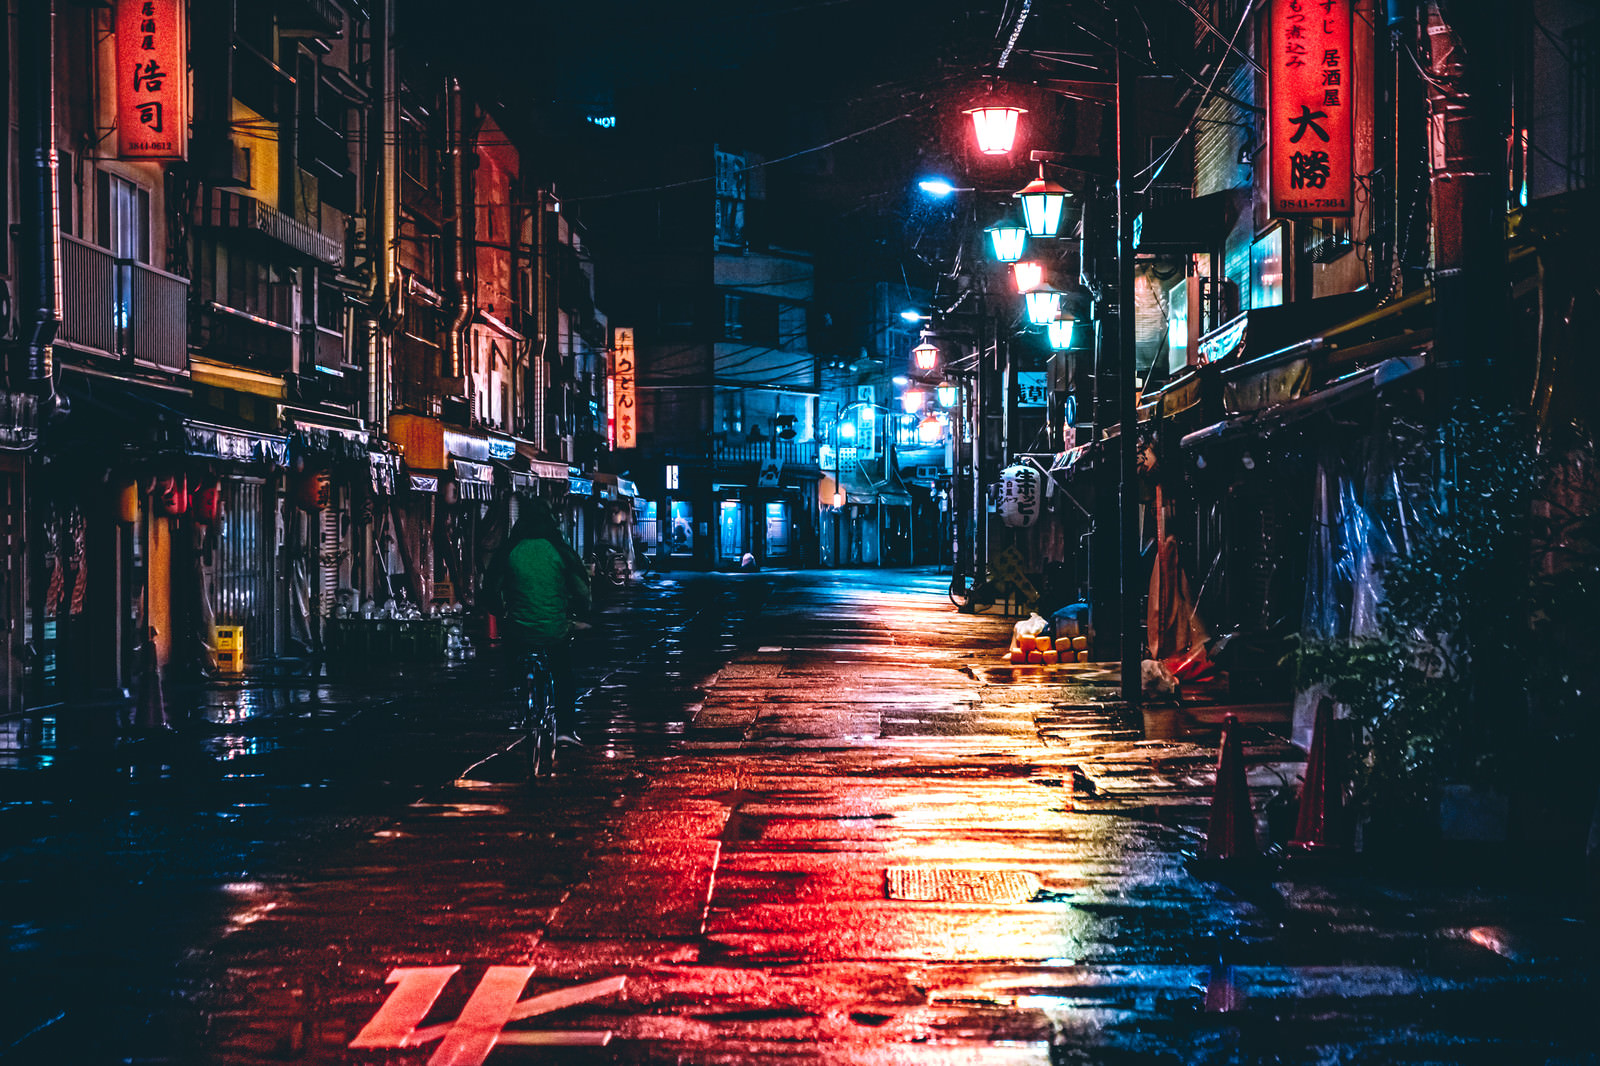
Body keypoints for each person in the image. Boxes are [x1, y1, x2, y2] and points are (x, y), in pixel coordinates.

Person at [483, 499, 592, 745]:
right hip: (555, 630)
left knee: (514, 657)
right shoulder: (560, 551)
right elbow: (582, 591)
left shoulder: (511, 549)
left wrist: (500, 612)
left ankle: (520, 688)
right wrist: (579, 613)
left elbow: (490, 589)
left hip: (518, 631)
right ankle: (565, 729)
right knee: (563, 675)